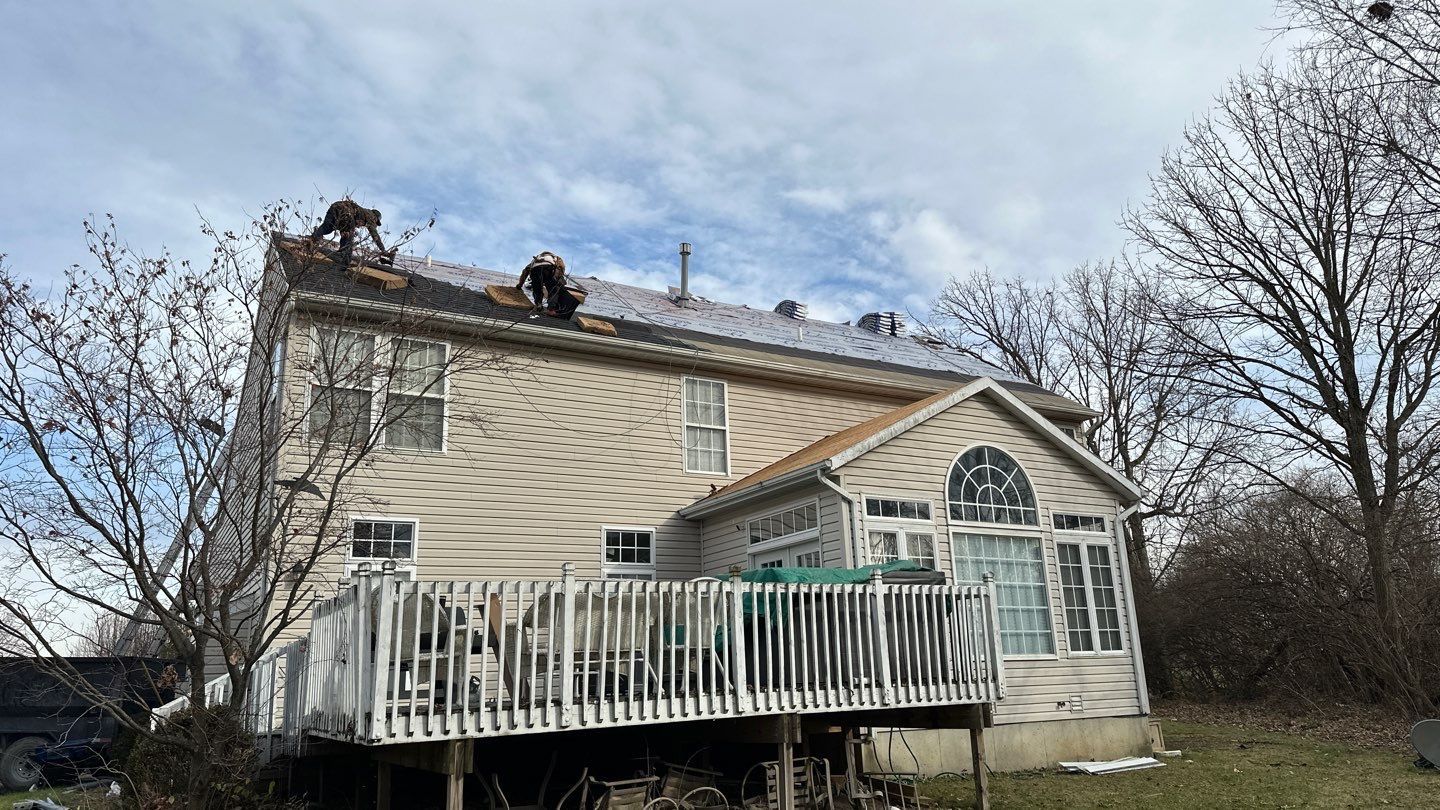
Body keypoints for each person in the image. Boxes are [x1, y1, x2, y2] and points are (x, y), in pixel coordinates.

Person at [310, 200, 394, 265]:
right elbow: (375, 235)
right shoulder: (371, 216)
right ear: (376, 218)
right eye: (376, 222)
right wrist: (383, 250)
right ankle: (343, 256)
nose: (375, 224)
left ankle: (313, 239)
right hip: (347, 212)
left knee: (327, 227)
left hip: (335, 206)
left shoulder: (363, 212)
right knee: (348, 236)